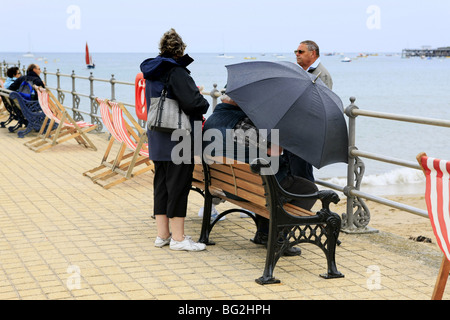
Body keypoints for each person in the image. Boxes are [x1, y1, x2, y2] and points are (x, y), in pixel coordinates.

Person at [203, 94, 318, 256]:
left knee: (264, 185)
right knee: (308, 189)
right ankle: (278, 237)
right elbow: (275, 151)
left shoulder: (212, 120)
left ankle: (264, 233)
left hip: (229, 187)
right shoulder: (242, 124)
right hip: (250, 189)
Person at [140, 28, 210, 252]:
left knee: (161, 185)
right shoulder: (176, 71)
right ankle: (179, 238)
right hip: (178, 139)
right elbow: (193, 104)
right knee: (178, 187)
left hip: (157, 137)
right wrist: (201, 98)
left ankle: (163, 235)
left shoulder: (151, 72)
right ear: (181, 50)